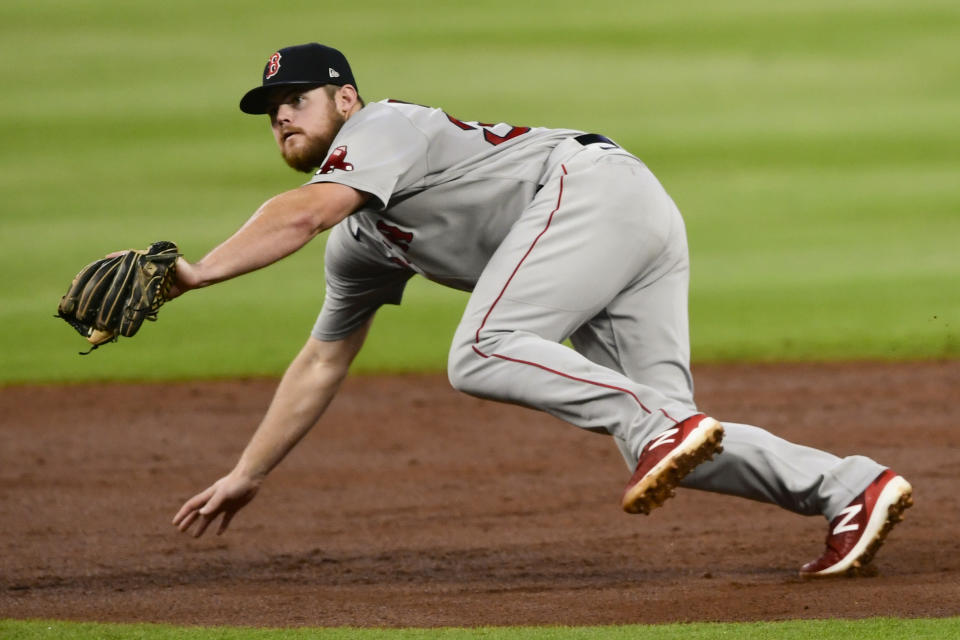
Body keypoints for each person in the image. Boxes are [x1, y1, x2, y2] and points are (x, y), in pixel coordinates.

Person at [170, 43, 912, 576]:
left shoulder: (383, 128)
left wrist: (199, 272)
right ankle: (848, 487)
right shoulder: (360, 243)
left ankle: (663, 427)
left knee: (483, 349)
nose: (281, 119)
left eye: (294, 100)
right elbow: (323, 356)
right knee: (680, 442)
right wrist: (250, 471)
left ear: (345, 99)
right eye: (270, 113)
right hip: (620, 220)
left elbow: (302, 215)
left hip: (591, 194)